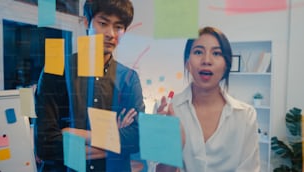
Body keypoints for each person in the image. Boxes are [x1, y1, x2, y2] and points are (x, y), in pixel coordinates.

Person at [34, 0, 145, 171]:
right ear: (86, 22)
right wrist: (113, 145)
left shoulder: (129, 78)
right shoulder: (56, 71)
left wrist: (76, 134)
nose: (111, 34)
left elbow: (137, 139)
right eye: (103, 23)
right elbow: (46, 144)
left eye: (118, 27)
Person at [156, 26, 260, 172]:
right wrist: (172, 150)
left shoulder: (245, 115)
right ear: (187, 63)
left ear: (226, 65)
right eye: (198, 52)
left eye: (216, 53)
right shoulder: (169, 112)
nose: (206, 60)